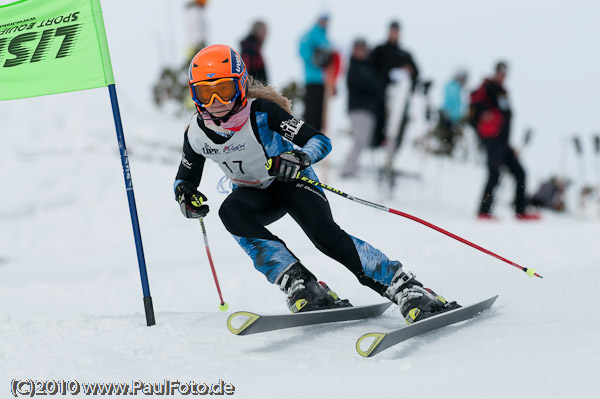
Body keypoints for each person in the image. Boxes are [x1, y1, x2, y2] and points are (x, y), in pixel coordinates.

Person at [174, 44, 457, 323]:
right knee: (231, 212)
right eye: (205, 93)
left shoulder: (262, 113)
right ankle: (301, 284)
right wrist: (186, 197)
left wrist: (298, 158)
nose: (215, 101)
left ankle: (405, 287)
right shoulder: (196, 134)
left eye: (223, 90)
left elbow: (320, 141)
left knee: (324, 235)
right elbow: (185, 178)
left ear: (240, 85)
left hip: (291, 182)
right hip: (253, 193)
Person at [469, 61, 539, 220]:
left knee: (520, 173)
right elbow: (473, 110)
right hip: (491, 140)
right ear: (495, 72)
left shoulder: (503, 92)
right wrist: (483, 116)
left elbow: (506, 120)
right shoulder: (486, 88)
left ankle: (520, 211)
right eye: (500, 72)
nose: (502, 76)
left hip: (503, 142)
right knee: (494, 173)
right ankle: (483, 211)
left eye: (505, 73)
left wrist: (509, 144)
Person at [370, 21, 420, 148]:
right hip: (381, 96)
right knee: (379, 124)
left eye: (397, 31)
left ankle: (391, 145)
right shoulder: (379, 50)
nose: (394, 34)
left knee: (397, 123)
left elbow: (416, 72)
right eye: (393, 31)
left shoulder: (405, 54)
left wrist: (408, 72)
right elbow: (372, 69)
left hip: (400, 97)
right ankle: (378, 143)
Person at [341, 39, 384, 178]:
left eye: (363, 49)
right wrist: (372, 88)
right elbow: (360, 85)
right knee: (359, 141)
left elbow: (376, 86)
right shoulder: (354, 67)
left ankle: (352, 169)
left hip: (368, 110)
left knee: (363, 141)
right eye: (359, 49)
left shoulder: (369, 67)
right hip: (358, 108)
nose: (362, 52)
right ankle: (348, 170)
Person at [298, 14, 332, 131]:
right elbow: (303, 51)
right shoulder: (310, 34)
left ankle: (318, 136)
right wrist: (315, 59)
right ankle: (309, 135)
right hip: (312, 79)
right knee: (312, 111)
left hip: (325, 81)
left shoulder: (325, 37)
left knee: (321, 114)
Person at [433, 69, 468, 156]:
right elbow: (450, 103)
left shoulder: (456, 87)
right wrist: (451, 115)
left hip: (452, 117)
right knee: (446, 139)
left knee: (449, 140)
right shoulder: (453, 87)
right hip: (448, 117)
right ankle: (442, 153)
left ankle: (445, 153)